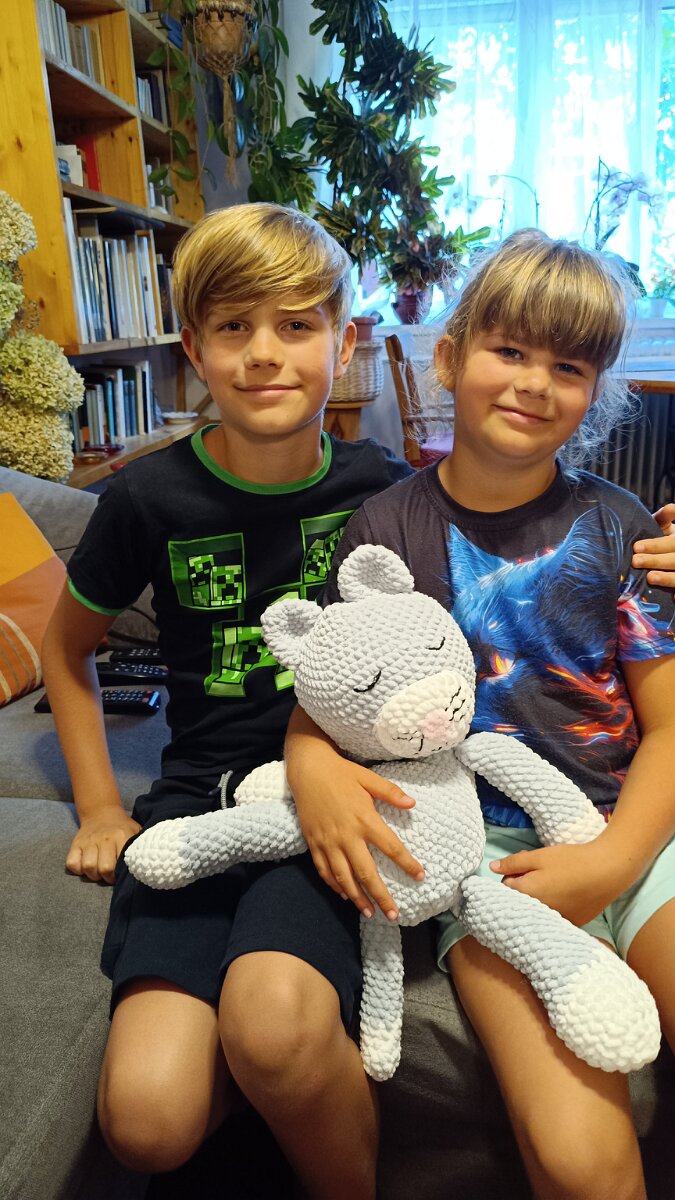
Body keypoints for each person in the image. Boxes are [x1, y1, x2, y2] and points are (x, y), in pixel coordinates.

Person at [41, 203, 423, 1200]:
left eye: (296, 325)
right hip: (197, 806)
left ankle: (306, 1100)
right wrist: (99, 808)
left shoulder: (384, 489)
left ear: (343, 342)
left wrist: (642, 544)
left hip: (333, 805)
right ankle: (285, 1091)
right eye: (233, 327)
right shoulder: (145, 498)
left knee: (272, 1023)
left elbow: (510, 539)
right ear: (193, 350)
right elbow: (65, 650)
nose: (263, 353)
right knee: (147, 1122)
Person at [284, 229, 675, 1200]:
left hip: (638, 834)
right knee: (583, 1162)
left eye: (568, 366)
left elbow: (668, 727)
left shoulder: (623, 525)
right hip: (488, 860)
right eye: (510, 350)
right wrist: (311, 763)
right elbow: (333, 696)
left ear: (595, 392)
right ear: (452, 358)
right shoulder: (385, 532)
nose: (534, 383)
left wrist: (615, 860)